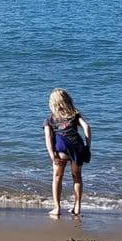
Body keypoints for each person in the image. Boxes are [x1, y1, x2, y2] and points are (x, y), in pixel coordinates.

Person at [43, 88, 92, 216]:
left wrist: (52, 154)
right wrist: (88, 146)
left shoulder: (50, 119)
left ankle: (57, 208)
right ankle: (77, 207)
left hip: (61, 148)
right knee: (77, 178)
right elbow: (87, 127)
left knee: (57, 177)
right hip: (77, 147)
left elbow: (48, 138)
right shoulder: (75, 114)